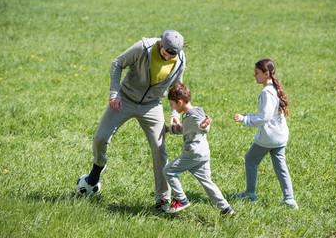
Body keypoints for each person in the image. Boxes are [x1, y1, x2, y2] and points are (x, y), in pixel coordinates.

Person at [86, 30, 186, 212]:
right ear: (161, 44)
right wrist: (115, 94)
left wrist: (174, 113)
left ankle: (162, 198)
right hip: (124, 99)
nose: (166, 58)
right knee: (100, 139)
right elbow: (117, 64)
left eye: (171, 56)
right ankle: (98, 166)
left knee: (159, 149)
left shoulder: (179, 60)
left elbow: (176, 87)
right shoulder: (144, 47)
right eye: (164, 54)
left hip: (151, 105)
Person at [231, 59, 298, 209]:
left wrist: (244, 119)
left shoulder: (266, 92)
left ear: (266, 74)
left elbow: (264, 117)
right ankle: (289, 199)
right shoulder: (274, 89)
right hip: (280, 136)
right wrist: (249, 115)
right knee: (281, 167)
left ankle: (250, 193)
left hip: (268, 137)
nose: (254, 76)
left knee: (250, 160)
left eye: (256, 73)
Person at [163, 83, 234, 215]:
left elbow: (201, 126)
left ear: (179, 102)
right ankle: (226, 209)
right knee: (207, 182)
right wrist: (170, 129)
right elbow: (188, 129)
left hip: (192, 154)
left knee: (168, 170)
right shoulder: (194, 111)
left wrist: (203, 126)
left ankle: (181, 199)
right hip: (203, 153)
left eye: (172, 104)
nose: (172, 107)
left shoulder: (193, 115)